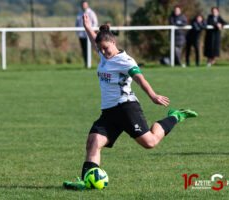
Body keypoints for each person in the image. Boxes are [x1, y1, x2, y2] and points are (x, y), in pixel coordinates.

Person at [63, 14, 198, 190]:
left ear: (113, 43)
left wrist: (153, 95)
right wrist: (87, 27)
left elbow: (139, 78)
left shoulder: (125, 61)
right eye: (100, 49)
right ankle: (85, 181)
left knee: (150, 142)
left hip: (127, 108)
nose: (102, 53)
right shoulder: (105, 54)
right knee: (93, 142)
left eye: (105, 49)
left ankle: (174, 116)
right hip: (109, 112)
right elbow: (94, 40)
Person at [75, 0, 98, 66]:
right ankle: (86, 64)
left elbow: (95, 23)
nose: (84, 6)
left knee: (91, 49)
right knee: (84, 50)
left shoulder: (91, 13)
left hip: (89, 35)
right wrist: (78, 32)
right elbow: (77, 24)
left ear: (87, 5)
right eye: (82, 5)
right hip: (82, 35)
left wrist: (91, 31)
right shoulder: (79, 13)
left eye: (85, 5)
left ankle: (90, 63)